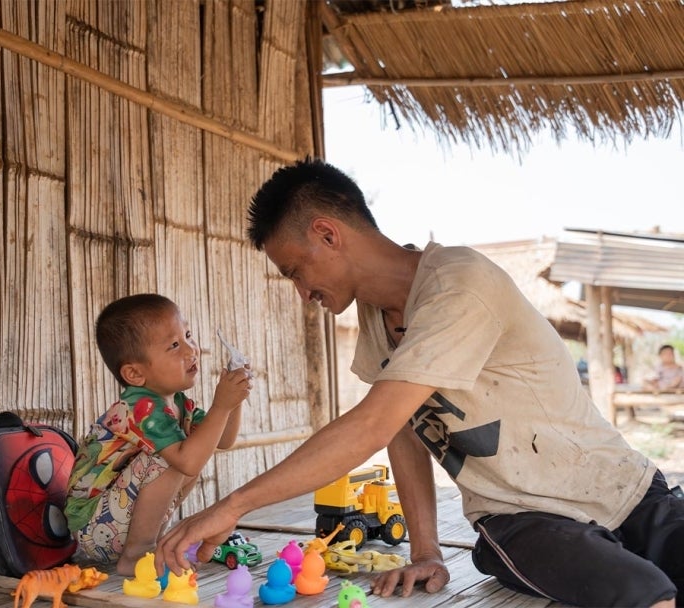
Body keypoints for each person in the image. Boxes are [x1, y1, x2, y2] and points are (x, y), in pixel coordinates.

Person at [155, 160, 684, 607]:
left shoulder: (460, 283)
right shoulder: (373, 318)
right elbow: (402, 429)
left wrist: (232, 506)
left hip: (628, 490)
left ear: (327, 233)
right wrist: (426, 550)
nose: (301, 292)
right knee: (644, 592)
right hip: (525, 518)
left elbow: (369, 425)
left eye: (295, 270)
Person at [65, 293, 252, 576]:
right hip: (92, 526)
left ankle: (147, 543)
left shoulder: (177, 403)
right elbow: (186, 461)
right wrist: (221, 404)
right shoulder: (141, 408)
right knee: (177, 456)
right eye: (174, 345)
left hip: (116, 521)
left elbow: (222, 440)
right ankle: (136, 555)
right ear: (135, 374)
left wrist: (232, 403)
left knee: (194, 447)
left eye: (188, 335)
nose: (191, 350)